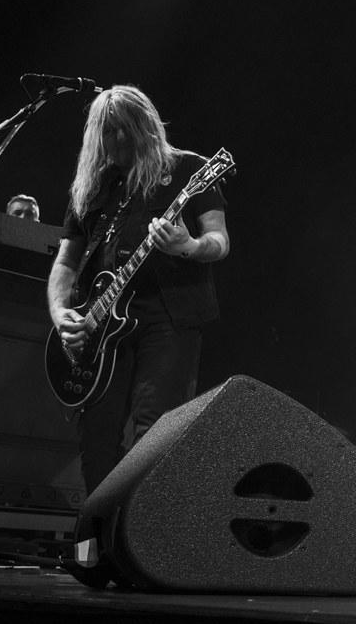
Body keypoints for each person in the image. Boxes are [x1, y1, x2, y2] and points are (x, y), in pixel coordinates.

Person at [46, 85, 230, 493]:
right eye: (109, 131)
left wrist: (187, 245)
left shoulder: (187, 170)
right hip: (100, 330)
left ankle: (140, 529)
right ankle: (100, 530)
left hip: (167, 318)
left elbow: (219, 241)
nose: (118, 139)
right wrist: (61, 315)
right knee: (96, 440)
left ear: (146, 125)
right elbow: (66, 262)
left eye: (126, 128)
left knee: (154, 434)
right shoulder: (94, 186)